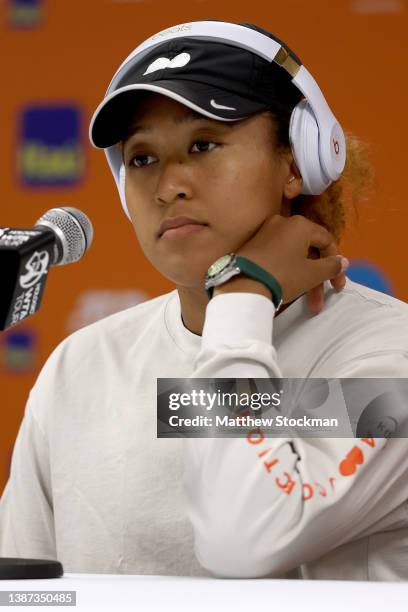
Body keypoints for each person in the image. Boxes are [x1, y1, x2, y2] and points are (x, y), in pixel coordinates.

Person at [1, 19, 408, 581]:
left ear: (297, 162)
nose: (169, 185)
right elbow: (22, 592)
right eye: (142, 158)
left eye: (204, 143)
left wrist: (242, 295)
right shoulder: (81, 365)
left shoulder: (391, 357)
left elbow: (243, 538)